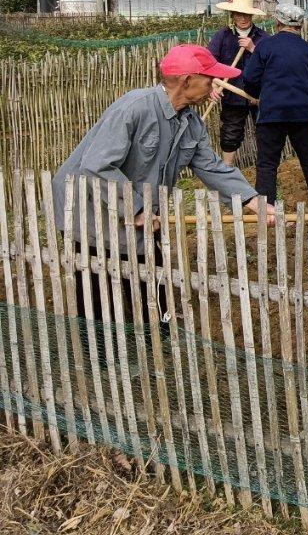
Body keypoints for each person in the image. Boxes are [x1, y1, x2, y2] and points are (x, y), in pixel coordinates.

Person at [51, 44, 267, 335]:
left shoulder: (190, 123)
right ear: (187, 80)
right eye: (210, 79)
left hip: (134, 210)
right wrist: (138, 208)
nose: (216, 85)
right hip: (90, 207)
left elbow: (211, 166)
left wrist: (252, 200)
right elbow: (97, 166)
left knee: (150, 268)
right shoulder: (135, 108)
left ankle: (155, 334)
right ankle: (101, 351)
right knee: (96, 281)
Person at [243, 3, 308, 203]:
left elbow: (250, 78)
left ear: (277, 22)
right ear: (300, 25)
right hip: (302, 114)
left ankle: (266, 205)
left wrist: (258, 96)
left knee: (267, 162)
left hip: (272, 113)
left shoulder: (265, 46)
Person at [207, 0, 268, 165]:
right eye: (239, 14)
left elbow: (273, 65)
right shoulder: (222, 36)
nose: (243, 18)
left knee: (265, 132)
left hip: (258, 97)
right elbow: (209, 64)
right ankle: (227, 172)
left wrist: (253, 48)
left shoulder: (263, 38)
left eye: (246, 14)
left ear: (252, 15)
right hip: (233, 96)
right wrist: (213, 85)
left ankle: (266, 172)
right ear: (232, 15)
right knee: (230, 134)